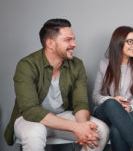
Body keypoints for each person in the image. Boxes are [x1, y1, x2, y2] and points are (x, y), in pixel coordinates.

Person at [4, 19, 109, 151]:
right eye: (68, 40)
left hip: (61, 116)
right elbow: (30, 110)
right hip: (30, 119)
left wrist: (83, 127)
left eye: (73, 39)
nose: (74, 44)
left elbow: (80, 102)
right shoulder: (26, 65)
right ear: (50, 43)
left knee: (101, 131)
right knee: (35, 133)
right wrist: (75, 127)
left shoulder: (77, 65)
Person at [93, 26, 133, 151]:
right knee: (111, 103)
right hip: (106, 112)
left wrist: (129, 107)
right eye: (130, 41)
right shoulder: (104, 65)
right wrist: (113, 100)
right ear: (118, 42)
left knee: (117, 130)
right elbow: (96, 96)